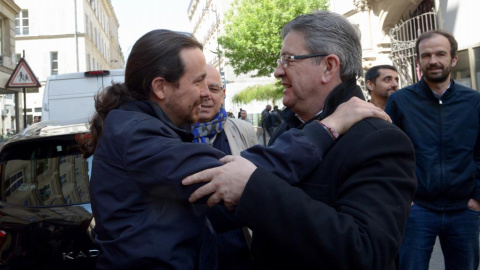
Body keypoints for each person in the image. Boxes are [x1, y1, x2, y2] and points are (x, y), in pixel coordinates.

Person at [80, 29, 390, 270]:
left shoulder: (140, 127)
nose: (207, 94)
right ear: (161, 87)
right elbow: (233, 174)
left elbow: (205, 205)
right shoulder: (136, 134)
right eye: (199, 82)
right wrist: (328, 127)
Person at [183, 11, 417, 270]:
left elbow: (365, 251)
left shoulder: (379, 139)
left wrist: (253, 186)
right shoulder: (291, 126)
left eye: (288, 60)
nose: (277, 71)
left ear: (329, 66)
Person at [385, 30, 480, 270]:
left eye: (440, 54)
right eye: (426, 55)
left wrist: (477, 197)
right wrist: (403, 199)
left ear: (453, 59)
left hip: (463, 210)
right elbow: (390, 155)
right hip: (418, 210)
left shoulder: (474, 102)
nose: (433, 60)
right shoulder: (400, 101)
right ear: (418, 62)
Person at [192, 65, 257, 270]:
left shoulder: (243, 129)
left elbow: (258, 183)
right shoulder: (173, 135)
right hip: (194, 251)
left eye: (213, 88)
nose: (206, 95)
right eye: (199, 88)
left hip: (240, 249)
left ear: (223, 94)